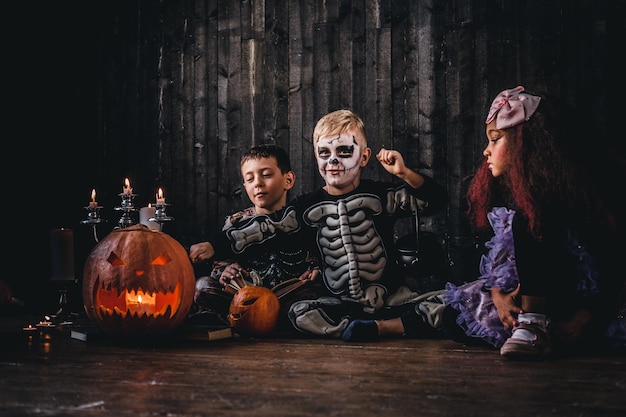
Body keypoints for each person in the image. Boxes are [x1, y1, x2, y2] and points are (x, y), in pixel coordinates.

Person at [349, 86, 626, 359]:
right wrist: (498, 295)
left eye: (496, 139)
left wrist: (584, 318)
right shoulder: (521, 196)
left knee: (527, 222)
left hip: (583, 302)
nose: (486, 151)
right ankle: (530, 324)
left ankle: (534, 325)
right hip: (533, 294)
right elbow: (505, 264)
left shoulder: (577, 201)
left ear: (525, 144)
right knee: (454, 317)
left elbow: (611, 265)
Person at [287, 109, 447, 339]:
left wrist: (404, 173)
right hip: (340, 306)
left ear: (363, 157)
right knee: (299, 312)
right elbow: (273, 234)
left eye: (344, 151)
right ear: (316, 156)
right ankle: (363, 327)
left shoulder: (381, 196)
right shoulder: (305, 207)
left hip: (392, 299)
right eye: (324, 152)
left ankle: (381, 327)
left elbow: (434, 200)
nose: (333, 160)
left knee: (452, 301)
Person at [188, 144, 322, 331]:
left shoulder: (301, 218)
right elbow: (220, 267)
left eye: (266, 175)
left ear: (288, 180)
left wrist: (315, 269)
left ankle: (257, 321)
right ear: (245, 185)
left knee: (317, 292)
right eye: (249, 179)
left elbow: (318, 255)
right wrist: (226, 272)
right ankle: (257, 319)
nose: (257, 183)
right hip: (246, 296)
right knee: (202, 287)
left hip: (288, 294)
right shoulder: (236, 223)